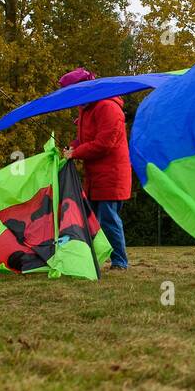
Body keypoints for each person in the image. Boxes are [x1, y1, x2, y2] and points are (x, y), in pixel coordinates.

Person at [59, 67, 131, 271]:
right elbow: (84, 140)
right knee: (88, 219)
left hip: (112, 175)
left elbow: (104, 143)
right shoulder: (86, 109)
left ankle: (119, 261)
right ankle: (90, 258)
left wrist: (76, 152)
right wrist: (72, 147)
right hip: (95, 175)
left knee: (108, 219)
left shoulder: (108, 107)